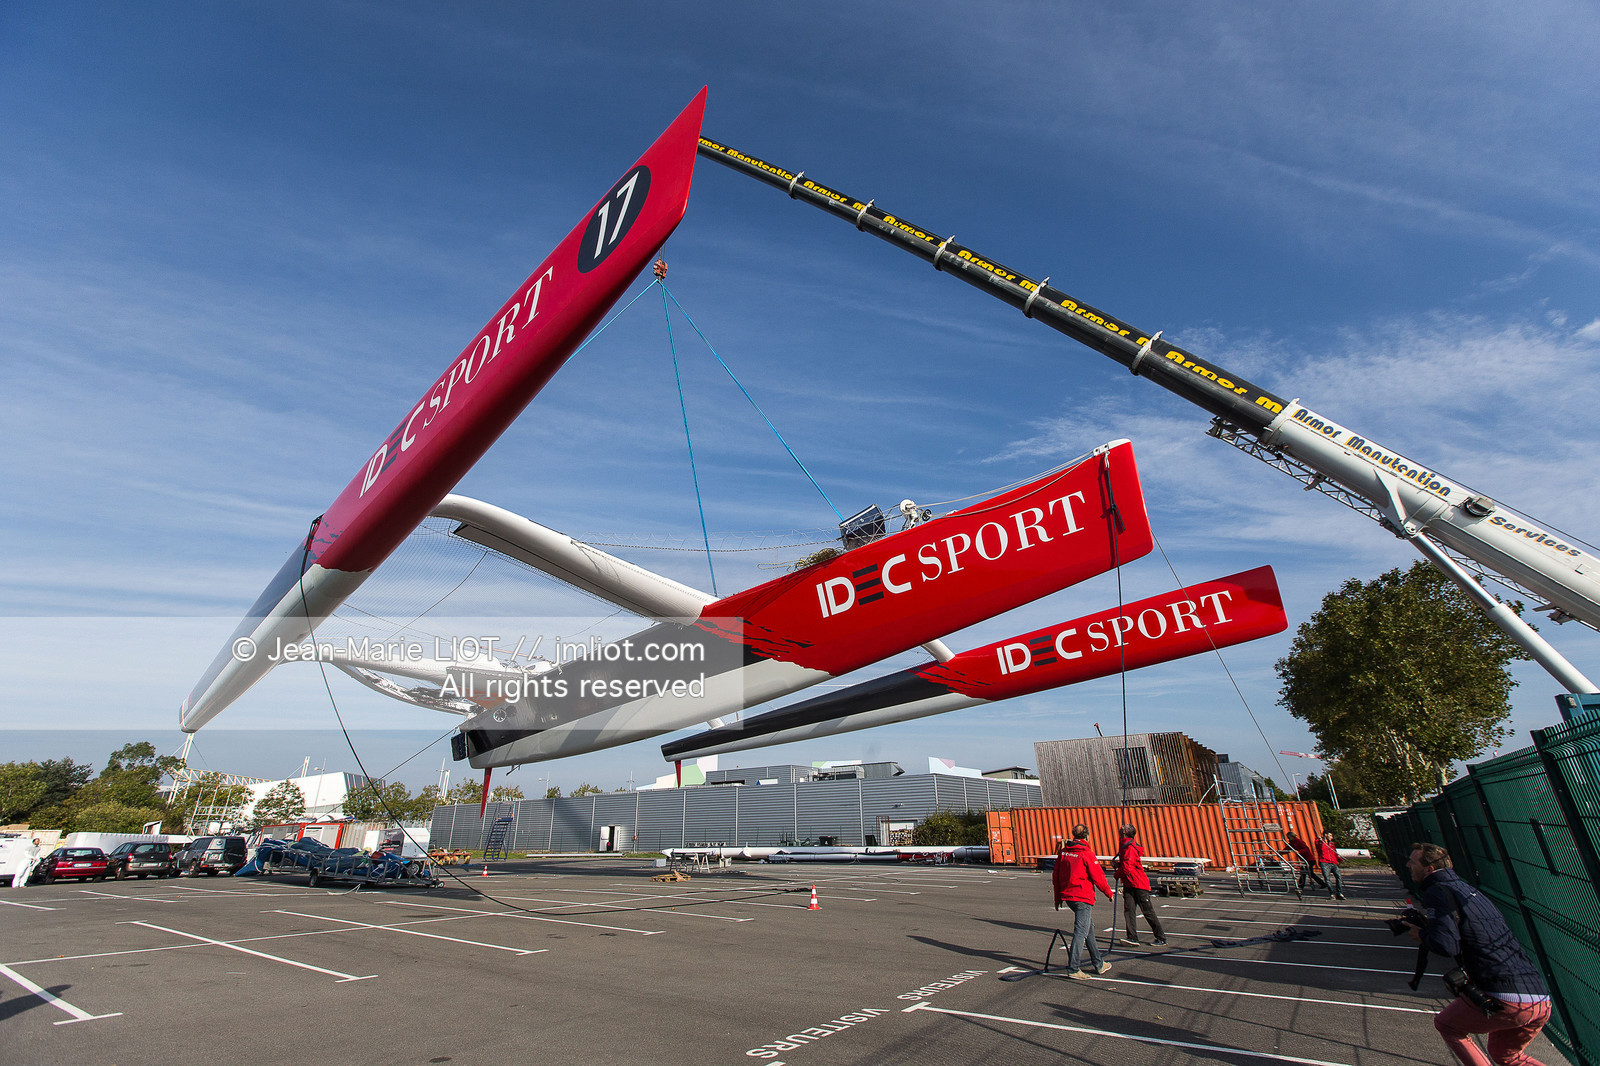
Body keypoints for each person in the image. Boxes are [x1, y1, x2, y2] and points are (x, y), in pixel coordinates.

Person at [1406, 842, 1550, 1066]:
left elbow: (1446, 945)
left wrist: (1422, 935)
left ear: (1429, 869)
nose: (1408, 865)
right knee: (1506, 1055)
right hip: (1539, 997)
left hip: (1506, 997)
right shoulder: (1468, 889)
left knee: (1448, 1025)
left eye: (1412, 862)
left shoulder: (1437, 892)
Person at [1052, 823, 1114, 979]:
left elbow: (1056, 875)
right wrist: (1108, 892)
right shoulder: (1086, 853)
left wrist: (1058, 897)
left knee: (1088, 929)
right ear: (1087, 836)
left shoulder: (1064, 852)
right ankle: (1073, 968)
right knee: (1081, 932)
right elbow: (1098, 876)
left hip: (1069, 897)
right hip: (1082, 897)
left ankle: (1098, 963)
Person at [1112, 825, 1167, 946]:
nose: (1121, 827)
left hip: (1138, 884)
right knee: (1129, 910)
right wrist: (1119, 864)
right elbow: (1126, 863)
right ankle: (1132, 937)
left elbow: (1128, 867)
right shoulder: (1125, 845)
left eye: (1124, 827)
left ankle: (1161, 937)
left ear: (1126, 832)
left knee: (1147, 911)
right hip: (1129, 883)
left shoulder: (1129, 847)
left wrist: (1117, 873)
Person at [1286, 831, 1328, 895]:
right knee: (1309, 873)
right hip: (1305, 860)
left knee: (1305, 872)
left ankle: (1301, 885)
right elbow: (1288, 848)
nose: (1288, 839)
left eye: (1289, 837)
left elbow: (1306, 849)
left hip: (1309, 859)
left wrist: (1299, 851)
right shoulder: (1292, 843)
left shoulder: (1299, 842)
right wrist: (1280, 852)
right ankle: (1322, 884)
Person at [1317, 830, 1346, 900]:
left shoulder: (1332, 843)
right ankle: (1332, 893)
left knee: (1338, 876)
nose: (1331, 837)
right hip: (1324, 862)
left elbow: (1334, 853)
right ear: (1326, 835)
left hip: (1333, 862)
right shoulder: (1319, 842)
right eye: (1330, 835)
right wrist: (1322, 841)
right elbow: (1321, 849)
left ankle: (1339, 893)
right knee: (1327, 878)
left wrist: (1339, 859)